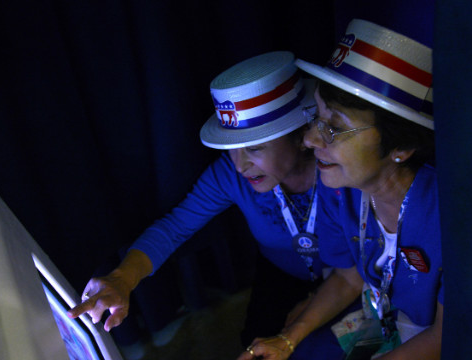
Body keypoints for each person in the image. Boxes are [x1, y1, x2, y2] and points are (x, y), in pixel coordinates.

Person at [68, 51, 353, 359]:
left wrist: (295, 329)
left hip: (352, 280)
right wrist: (123, 278)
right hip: (281, 273)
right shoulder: (229, 175)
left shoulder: (343, 174)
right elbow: (175, 227)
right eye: (231, 148)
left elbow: (359, 273)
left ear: (301, 136)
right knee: (254, 345)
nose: (240, 164)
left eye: (255, 147)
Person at [239, 19, 442, 360]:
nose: (309, 139)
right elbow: (350, 277)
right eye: (315, 118)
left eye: (333, 127)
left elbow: (446, 333)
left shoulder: (449, 217)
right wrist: (288, 339)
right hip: (377, 317)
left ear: (401, 146)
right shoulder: (341, 190)